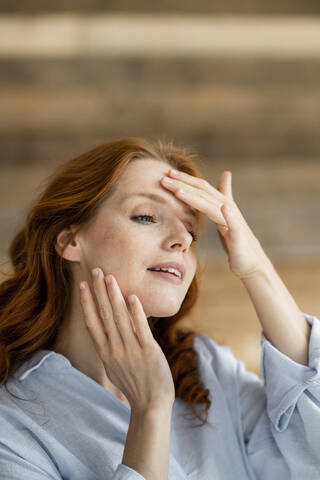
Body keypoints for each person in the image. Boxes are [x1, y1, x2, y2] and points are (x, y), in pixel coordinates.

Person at [0, 137, 319, 480]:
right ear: (70, 240)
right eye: (146, 216)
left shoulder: (208, 370)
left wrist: (255, 267)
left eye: (192, 232)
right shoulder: (13, 424)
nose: (181, 239)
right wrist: (150, 411)